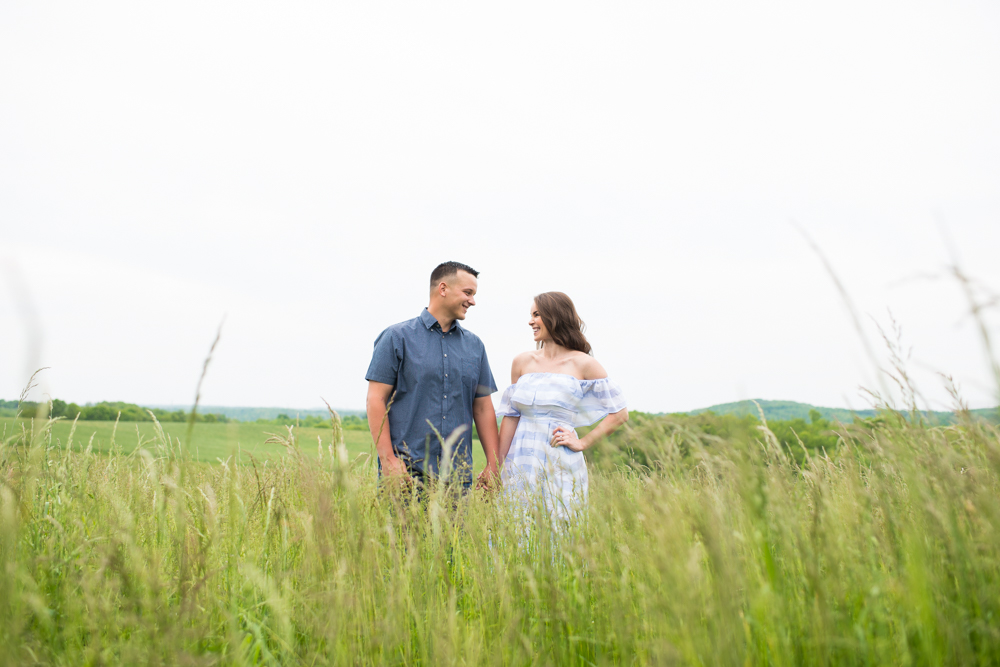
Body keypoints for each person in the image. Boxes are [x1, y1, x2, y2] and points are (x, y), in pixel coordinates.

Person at [366, 261, 501, 491]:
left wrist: (493, 464)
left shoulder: (475, 346)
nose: (472, 301)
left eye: (474, 294)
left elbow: (483, 407)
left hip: (459, 479)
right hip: (406, 474)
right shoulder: (396, 338)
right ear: (443, 288)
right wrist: (388, 460)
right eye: (467, 293)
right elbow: (375, 400)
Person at [496, 292, 628, 518]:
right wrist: (495, 467)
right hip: (519, 460)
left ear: (554, 317)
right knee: (515, 526)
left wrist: (582, 442)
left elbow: (619, 413)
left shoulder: (584, 363)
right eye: (531, 315)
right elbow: (511, 416)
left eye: (536, 315)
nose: (530, 321)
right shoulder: (521, 362)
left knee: (560, 528)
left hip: (560, 460)